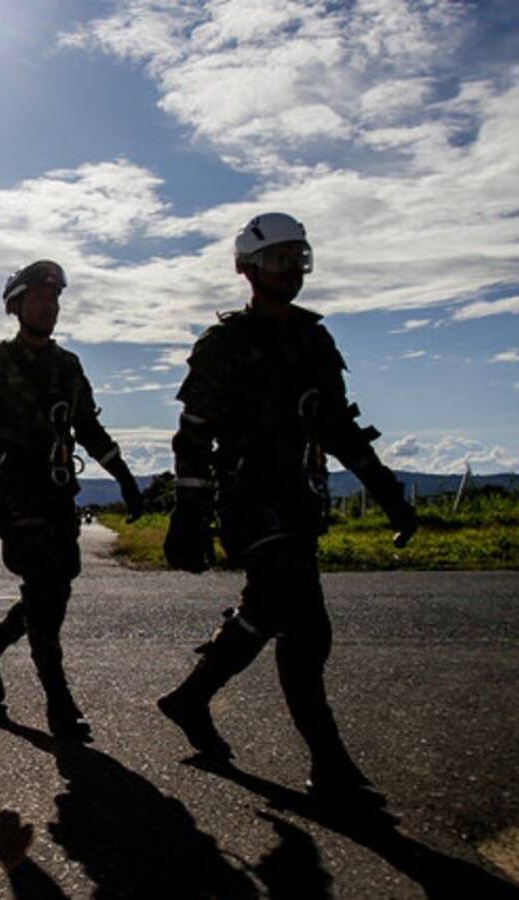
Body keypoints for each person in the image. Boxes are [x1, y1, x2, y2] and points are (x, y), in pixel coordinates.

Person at [158, 212, 419, 803]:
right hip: (248, 500)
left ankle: (191, 698)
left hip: (300, 500)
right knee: (302, 616)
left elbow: (339, 428)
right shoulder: (224, 345)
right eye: (278, 259)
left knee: (281, 614)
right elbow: (193, 434)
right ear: (248, 269)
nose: (290, 270)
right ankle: (330, 765)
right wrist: (188, 516)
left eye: (297, 258)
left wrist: (389, 494)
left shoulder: (313, 339)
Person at [0, 260, 144, 741]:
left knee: (56, 586)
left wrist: (125, 478)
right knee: (44, 583)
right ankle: (59, 702)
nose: (49, 306)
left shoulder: (67, 366)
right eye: (39, 297)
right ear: (16, 306)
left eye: (55, 299)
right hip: (16, 490)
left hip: (58, 492)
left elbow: (89, 428)